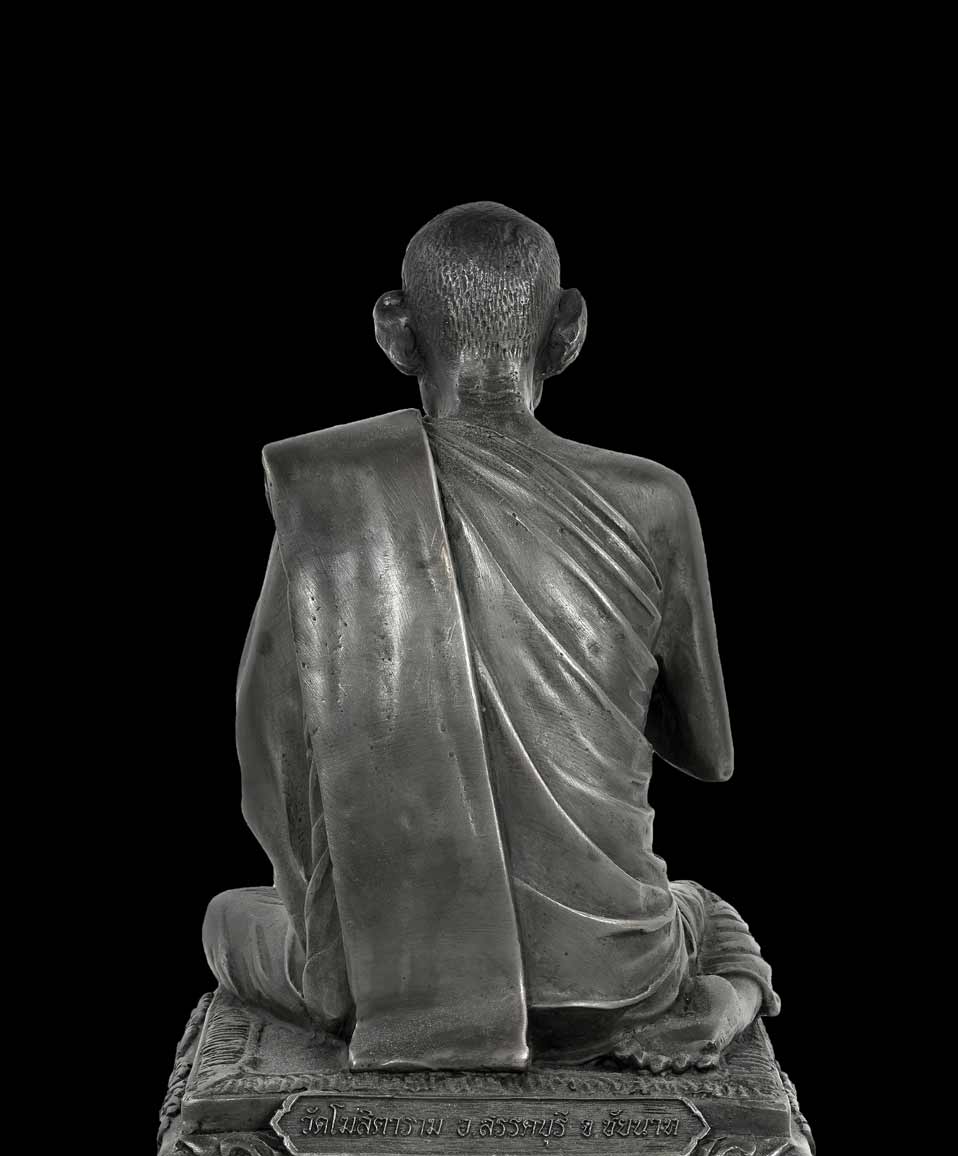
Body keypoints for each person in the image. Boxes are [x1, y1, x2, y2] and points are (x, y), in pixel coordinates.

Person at [204, 202, 779, 1073]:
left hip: (391, 983)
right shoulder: (656, 499)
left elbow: (268, 753)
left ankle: (387, 990)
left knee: (226, 918)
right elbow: (711, 755)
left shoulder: (337, 495)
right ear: (568, 330)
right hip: (618, 980)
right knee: (703, 909)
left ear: (395, 331)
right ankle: (730, 995)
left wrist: (334, 921)